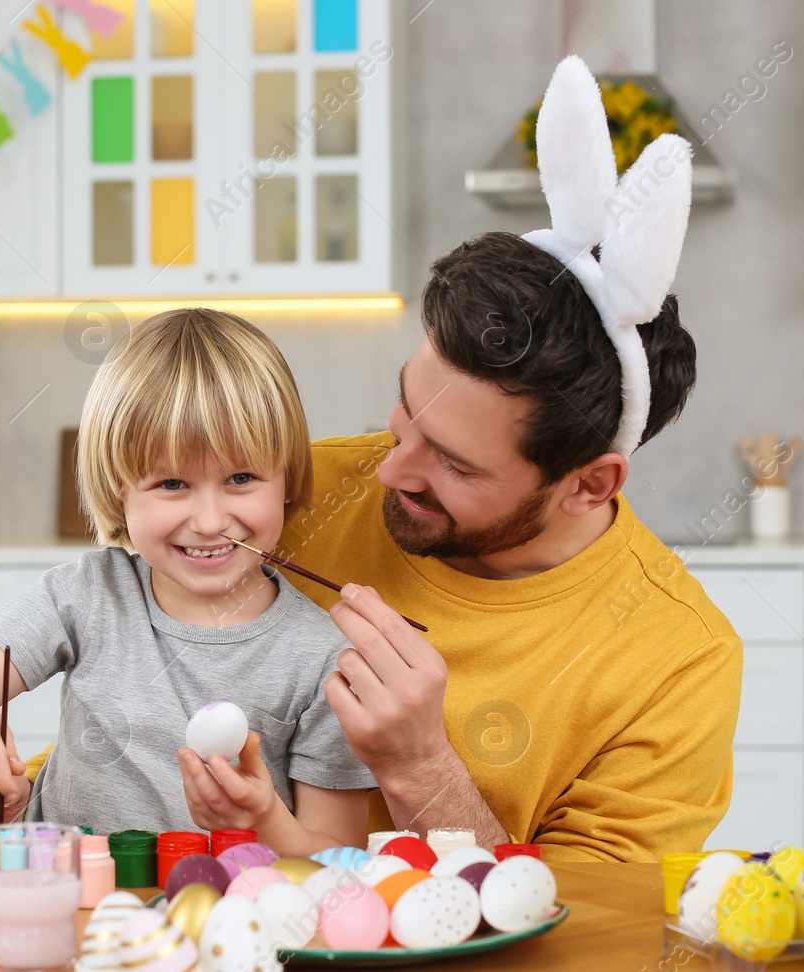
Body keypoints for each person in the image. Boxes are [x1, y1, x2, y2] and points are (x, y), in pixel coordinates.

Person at [278, 58, 743, 862]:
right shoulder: (286, 491)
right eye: (402, 415)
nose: (389, 471)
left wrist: (418, 765)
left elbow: (584, 949)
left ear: (588, 483)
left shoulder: (677, 661)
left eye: (454, 464)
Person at [0, 308, 375, 853]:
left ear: (286, 479)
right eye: (171, 483)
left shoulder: (324, 660)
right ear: (119, 490)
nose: (211, 520)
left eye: (241, 478)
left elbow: (339, 863)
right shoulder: (85, 595)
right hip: (70, 911)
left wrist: (261, 817)